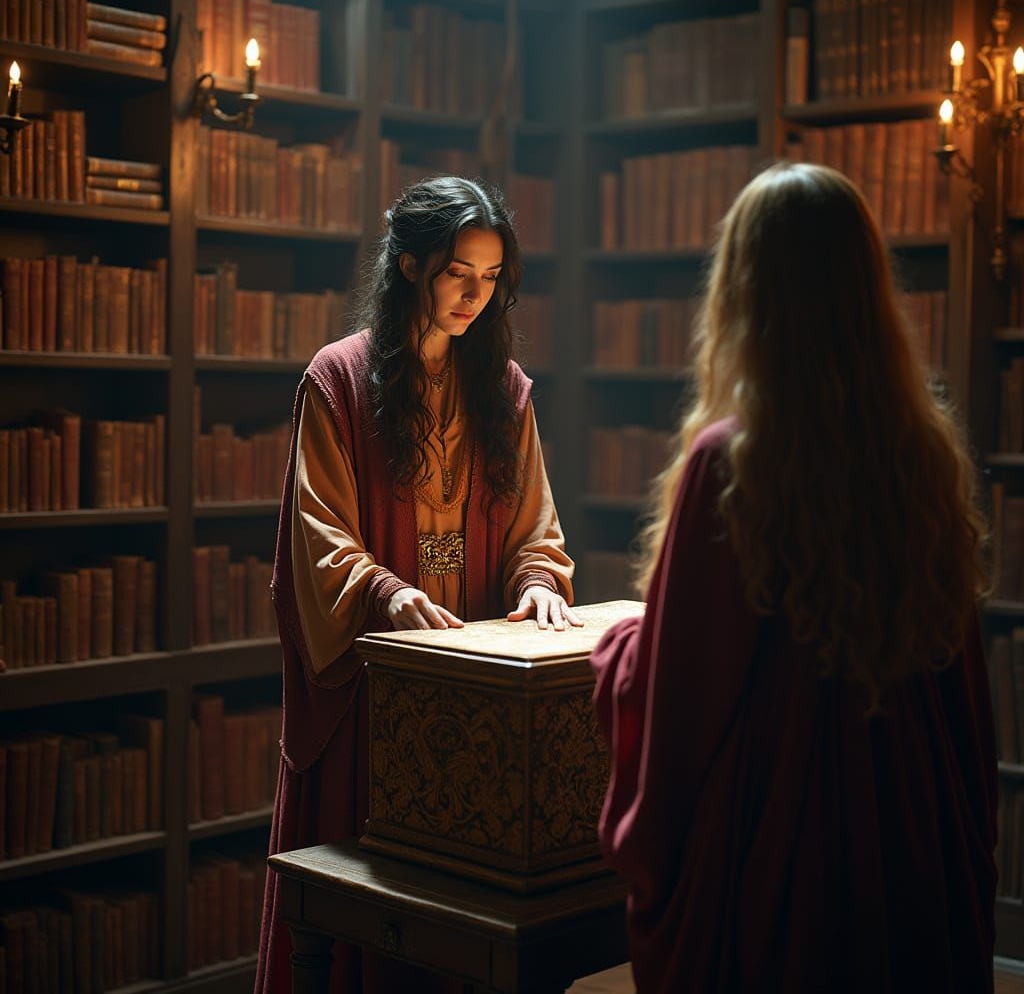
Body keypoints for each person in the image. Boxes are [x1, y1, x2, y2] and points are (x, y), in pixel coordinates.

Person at [590, 162, 997, 993]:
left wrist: (622, 646)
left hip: (777, 841)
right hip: (909, 827)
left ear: (743, 294)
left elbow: (683, 705)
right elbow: (967, 697)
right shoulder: (919, 453)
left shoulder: (733, 459)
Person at [256, 176, 581, 994]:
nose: (477, 294)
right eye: (458, 272)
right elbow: (318, 535)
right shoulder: (338, 378)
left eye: (492, 276)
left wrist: (539, 579)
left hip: (470, 692)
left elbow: (536, 525)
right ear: (410, 263)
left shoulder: (504, 389)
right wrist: (386, 592)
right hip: (375, 685)